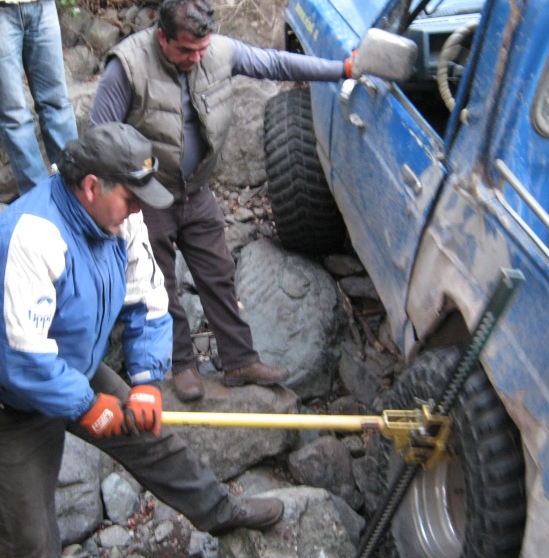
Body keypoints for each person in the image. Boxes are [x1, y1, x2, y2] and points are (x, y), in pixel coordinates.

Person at [0, 122, 285, 558]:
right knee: (33, 544)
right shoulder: (30, 238)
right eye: (131, 197)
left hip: (74, 364)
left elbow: (149, 300)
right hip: (6, 400)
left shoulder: (120, 218)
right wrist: (85, 405)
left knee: (153, 439)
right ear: (91, 186)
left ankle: (221, 513)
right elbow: (18, 357)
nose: (138, 209)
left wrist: (146, 380)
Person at [90, 0, 357, 401]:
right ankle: (181, 365)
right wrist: (110, 210)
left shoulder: (216, 51)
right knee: (158, 285)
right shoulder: (125, 67)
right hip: (147, 195)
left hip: (195, 190)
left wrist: (341, 69)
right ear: (161, 36)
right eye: (186, 51)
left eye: (202, 49)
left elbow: (274, 63)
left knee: (218, 273)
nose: (197, 58)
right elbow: (100, 140)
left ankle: (239, 360)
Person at [0, 0, 78, 195]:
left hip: (41, 5)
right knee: (14, 117)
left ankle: (78, 197)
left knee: (58, 104)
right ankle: (41, 210)